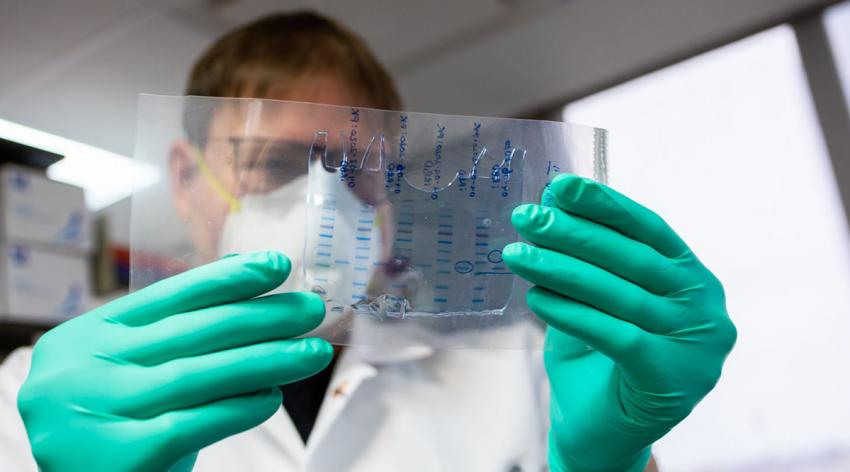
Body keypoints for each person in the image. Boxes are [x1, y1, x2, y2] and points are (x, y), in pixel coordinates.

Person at [0, 11, 736, 472]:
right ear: (188, 180)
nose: (324, 204)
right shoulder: (43, 397)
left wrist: (607, 464)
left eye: (352, 171)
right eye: (276, 165)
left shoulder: (522, 375)